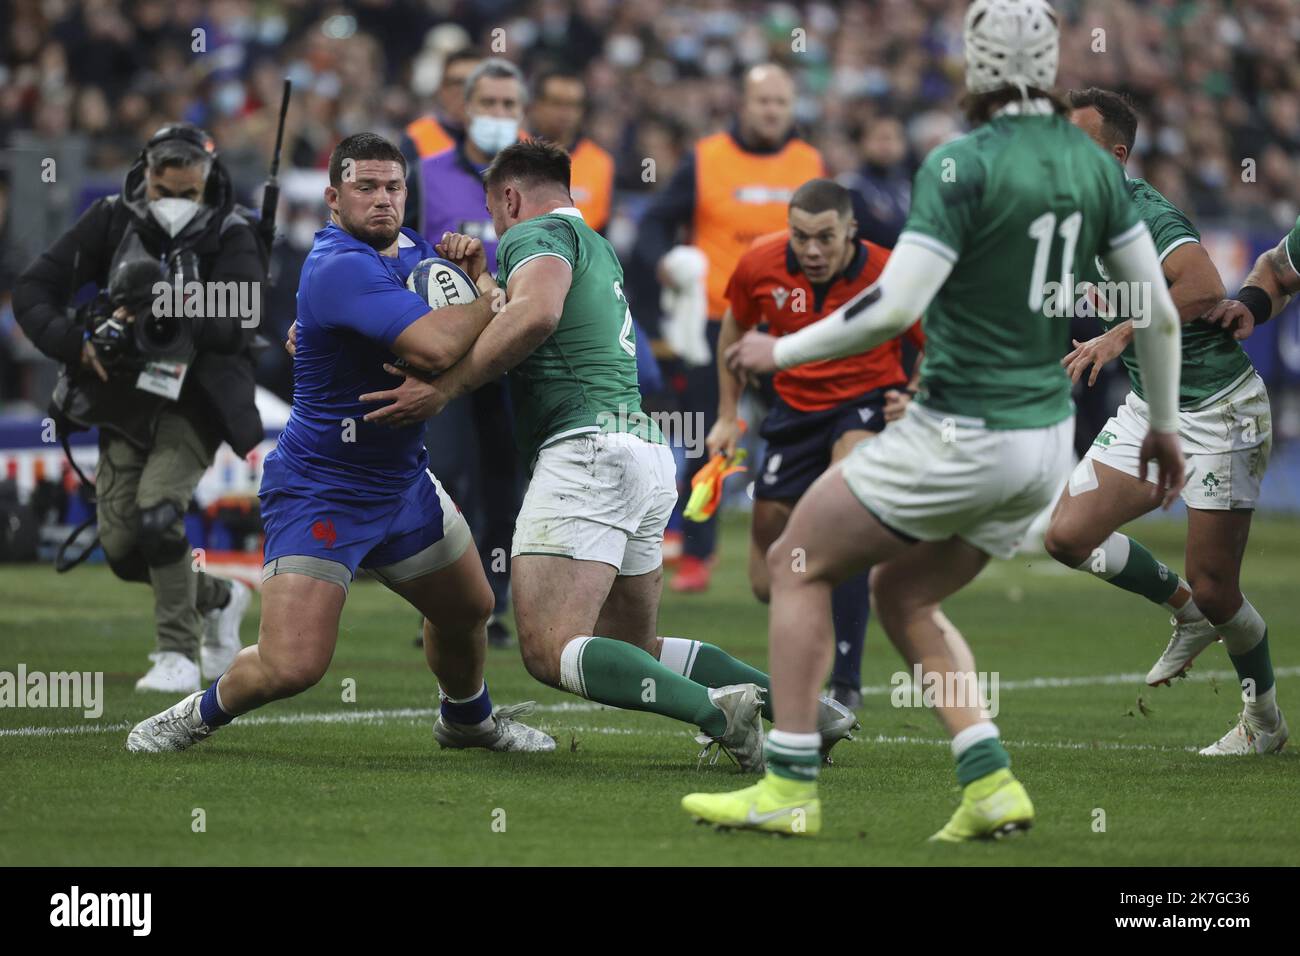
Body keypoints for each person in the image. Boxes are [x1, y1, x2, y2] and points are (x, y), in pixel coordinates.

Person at [682, 0, 1185, 839]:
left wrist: (784, 352)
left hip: (963, 430)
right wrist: (1163, 424)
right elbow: (1159, 313)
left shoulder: (961, 163)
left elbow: (897, 304)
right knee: (904, 592)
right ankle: (988, 783)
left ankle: (789, 786)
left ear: (977, 66)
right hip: (1041, 446)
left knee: (795, 561)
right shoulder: (1096, 168)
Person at [360, 140, 858, 768]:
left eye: (494, 212)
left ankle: (719, 714)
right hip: (640, 452)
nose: (496, 226)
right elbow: (526, 313)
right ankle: (804, 708)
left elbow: (536, 316)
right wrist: (483, 278)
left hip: (587, 452)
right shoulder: (591, 242)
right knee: (632, 647)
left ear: (510, 198)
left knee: (548, 647)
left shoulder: (531, 233)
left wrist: (445, 389)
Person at [125, 133, 553, 755]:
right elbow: (435, 346)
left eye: (393, 187)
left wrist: (466, 277)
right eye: (366, 188)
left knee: (469, 610)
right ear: (332, 197)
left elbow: (438, 318)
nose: (383, 200)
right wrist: (489, 292)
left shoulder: (415, 249)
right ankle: (195, 713)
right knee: (292, 665)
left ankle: (467, 720)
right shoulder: (338, 263)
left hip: (403, 482)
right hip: (323, 489)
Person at [1043, 88, 1285, 756]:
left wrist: (1119, 334)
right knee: (1065, 536)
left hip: (1219, 410)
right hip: (1152, 406)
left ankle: (1262, 722)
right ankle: (1183, 611)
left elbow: (1206, 287)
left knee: (1220, 588)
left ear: (1116, 156)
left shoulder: (1143, 213)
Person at [14, 123, 259, 692]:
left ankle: (176, 653)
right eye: (163, 190)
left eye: (186, 193)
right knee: (124, 551)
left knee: (156, 513)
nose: (172, 203)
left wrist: (170, 301)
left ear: (208, 180)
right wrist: (79, 339)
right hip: (123, 395)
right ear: (145, 175)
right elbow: (32, 290)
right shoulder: (109, 218)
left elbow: (243, 320)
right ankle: (221, 597)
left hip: (195, 398)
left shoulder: (233, 230)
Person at [709, 178, 927, 710]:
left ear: (850, 230)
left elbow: (935, 342)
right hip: (793, 413)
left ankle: (846, 683)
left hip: (864, 404)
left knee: (841, 504)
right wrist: (725, 417)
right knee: (770, 573)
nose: (811, 250)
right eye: (801, 236)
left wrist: (915, 395)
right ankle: (817, 596)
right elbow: (733, 332)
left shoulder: (889, 271)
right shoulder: (760, 265)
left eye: (825, 237)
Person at [630, 63, 825, 594]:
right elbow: (651, 222)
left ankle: (810, 547)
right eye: (763, 102)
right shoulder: (706, 158)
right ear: (743, 104)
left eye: (781, 102)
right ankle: (696, 554)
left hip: (789, 322)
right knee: (706, 439)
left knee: (809, 431)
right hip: (720, 323)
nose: (772, 111)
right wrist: (666, 261)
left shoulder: (809, 162)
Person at [417, 57, 528, 648]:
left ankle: (496, 604)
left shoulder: (535, 187)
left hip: (515, 356)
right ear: (464, 107)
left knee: (503, 482)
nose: (499, 116)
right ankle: (442, 604)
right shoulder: (424, 175)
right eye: (489, 104)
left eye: (510, 106)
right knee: (447, 475)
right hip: (447, 354)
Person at [400, 47, 482, 231]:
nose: (466, 91)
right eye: (457, 82)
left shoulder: (516, 139)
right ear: (441, 89)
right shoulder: (417, 136)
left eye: (474, 82)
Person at [527, 66, 615, 233]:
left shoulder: (600, 162)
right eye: (556, 103)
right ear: (536, 105)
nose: (565, 113)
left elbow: (601, 228)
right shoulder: (512, 152)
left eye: (573, 105)